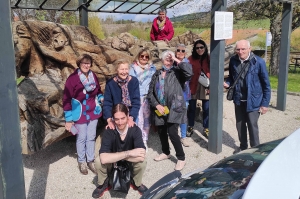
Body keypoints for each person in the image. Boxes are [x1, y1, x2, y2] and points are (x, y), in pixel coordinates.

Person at [147, 50, 193, 171]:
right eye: (167, 59)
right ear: (162, 60)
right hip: (160, 108)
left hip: (174, 107)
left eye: (171, 59)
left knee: (172, 133)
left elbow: (189, 71)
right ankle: (166, 152)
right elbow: (150, 93)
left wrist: (176, 59)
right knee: (161, 132)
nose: (169, 61)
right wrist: (157, 105)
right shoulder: (156, 74)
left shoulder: (177, 72)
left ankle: (181, 158)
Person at [224, 40, 271, 153]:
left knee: (252, 126)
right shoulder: (233, 60)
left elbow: (266, 85)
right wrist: (228, 83)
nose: (240, 52)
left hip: (253, 100)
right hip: (238, 99)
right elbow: (231, 76)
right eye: (238, 49)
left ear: (249, 49)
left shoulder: (258, 62)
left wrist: (265, 104)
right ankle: (243, 147)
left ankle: (256, 150)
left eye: (243, 49)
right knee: (240, 125)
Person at [92, 103, 148, 198]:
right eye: (117, 119)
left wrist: (116, 156)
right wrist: (129, 153)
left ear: (128, 116)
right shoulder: (109, 131)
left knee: (143, 161)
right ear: (113, 119)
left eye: (123, 118)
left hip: (126, 162)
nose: (120, 122)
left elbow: (141, 155)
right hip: (114, 163)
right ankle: (104, 183)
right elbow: (104, 159)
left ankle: (136, 182)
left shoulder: (135, 130)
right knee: (98, 161)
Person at [63, 54, 104, 175]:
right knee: (81, 138)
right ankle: (82, 161)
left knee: (91, 137)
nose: (86, 65)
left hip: (93, 112)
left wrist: (101, 98)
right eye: (83, 63)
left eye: (88, 63)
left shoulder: (93, 76)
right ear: (79, 64)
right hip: (79, 113)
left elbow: (98, 90)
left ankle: (90, 160)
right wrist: (69, 119)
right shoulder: (72, 79)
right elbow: (66, 99)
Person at [129, 48, 156, 151]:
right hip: (136, 97)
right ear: (138, 56)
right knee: (136, 119)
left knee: (146, 119)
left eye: (146, 56)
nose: (144, 58)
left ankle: (144, 139)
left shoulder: (152, 69)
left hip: (147, 97)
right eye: (142, 56)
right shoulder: (133, 68)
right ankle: (136, 140)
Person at [103, 59, 140, 130]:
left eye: (126, 69)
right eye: (122, 69)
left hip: (130, 115)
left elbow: (136, 102)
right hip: (116, 116)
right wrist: (109, 119)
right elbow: (107, 103)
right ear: (117, 70)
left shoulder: (134, 81)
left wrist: (131, 117)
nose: (124, 72)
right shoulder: (110, 83)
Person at [187, 40, 210, 137]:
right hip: (193, 85)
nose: (200, 49)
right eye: (197, 48)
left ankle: (206, 128)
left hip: (206, 86)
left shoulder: (209, 58)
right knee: (192, 108)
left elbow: (214, 71)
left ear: (205, 48)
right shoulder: (190, 59)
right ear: (194, 49)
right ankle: (190, 125)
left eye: (201, 47)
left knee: (206, 108)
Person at [173, 44, 192, 147]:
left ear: (185, 53)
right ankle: (174, 134)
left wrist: (177, 61)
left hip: (184, 93)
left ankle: (183, 136)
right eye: (178, 50)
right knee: (173, 114)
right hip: (173, 94)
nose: (180, 52)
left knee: (183, 116)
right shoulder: (172, 63)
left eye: (182, 51)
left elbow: (188, 74)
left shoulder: (187, 63)